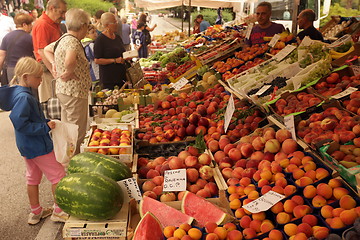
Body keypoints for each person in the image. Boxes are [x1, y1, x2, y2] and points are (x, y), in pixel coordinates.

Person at [0, 57, 68, 225]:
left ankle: (35, 212)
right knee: (58, 175)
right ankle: (59, 212)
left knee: (33, 178)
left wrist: (44, 122)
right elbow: (21, 123)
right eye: (38, 76)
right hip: (38, 145)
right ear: (25, 77)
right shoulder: (25, 97)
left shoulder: (18, 93)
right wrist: (45, 127)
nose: (41, 79)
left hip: (27, 147)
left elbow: (28, 120)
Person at [44, 8, 91, 155]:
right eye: (87, 26)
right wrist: (69, 71)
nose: (87, 30)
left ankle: (66, 158)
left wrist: (53, 64)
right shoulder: (73, 42)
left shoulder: (63, 38)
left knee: (67, 128)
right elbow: (70, 60)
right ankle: (73, 162)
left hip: (64, 90)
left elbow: (46, 49)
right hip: (75, 92)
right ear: (82, 25)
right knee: (76, 131)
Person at [32, 0, 67, 104]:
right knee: (51, 104)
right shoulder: (42, 24)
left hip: (53, 67)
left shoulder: (54, 23)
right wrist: (53, 71)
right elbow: (41, 51)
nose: (63, 16)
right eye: (61, 12)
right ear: (52, 8)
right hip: (48, 69)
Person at [94, 12, 127, 89]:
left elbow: (122, 53)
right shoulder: (100, 40)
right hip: (109, 80)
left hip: (121, 78)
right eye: (114, 22)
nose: (117, 23)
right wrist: (114, 60)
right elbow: (97, 60)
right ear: (107, 25)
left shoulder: (117, 37)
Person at [0, 13, 34, 86]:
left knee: (14, 91)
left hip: (11, 70)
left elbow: (1, 56)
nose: (31, 27)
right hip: (27, 70)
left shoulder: (7, 37)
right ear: (24, 25)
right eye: (30, 25)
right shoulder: (30, 38)